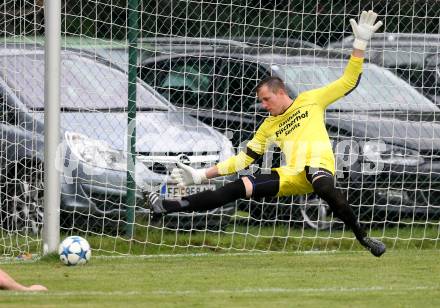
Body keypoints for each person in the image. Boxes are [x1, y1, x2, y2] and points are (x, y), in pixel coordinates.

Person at [146, 10, 386, 257]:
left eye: (266, 99)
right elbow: (243, 160)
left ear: (281, 92)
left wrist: (360, 44)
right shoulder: (268, 126)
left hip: (318, 166)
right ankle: (164, 205)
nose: (263, 105)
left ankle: (362, 236)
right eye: (260, 101)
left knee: (322, 183)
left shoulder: (311, 100)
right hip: (290, 176)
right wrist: (199, 175)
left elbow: (348, 81)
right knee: (234, 189)